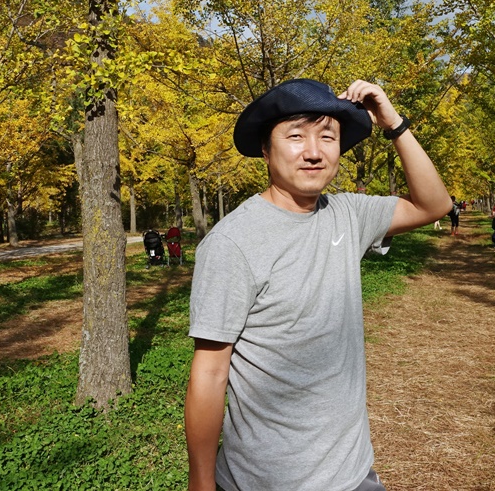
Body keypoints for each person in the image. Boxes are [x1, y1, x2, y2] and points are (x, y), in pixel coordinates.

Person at [184, 78, 451, 491]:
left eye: (327, 137)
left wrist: (393, 123)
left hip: (354, 473)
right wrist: (201, 483)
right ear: (265, 149)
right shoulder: (232, 242)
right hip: (267, 480)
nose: (313, 152)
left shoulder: (347, 214)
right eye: (296, 136)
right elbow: (210, 372)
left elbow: (434, 205)